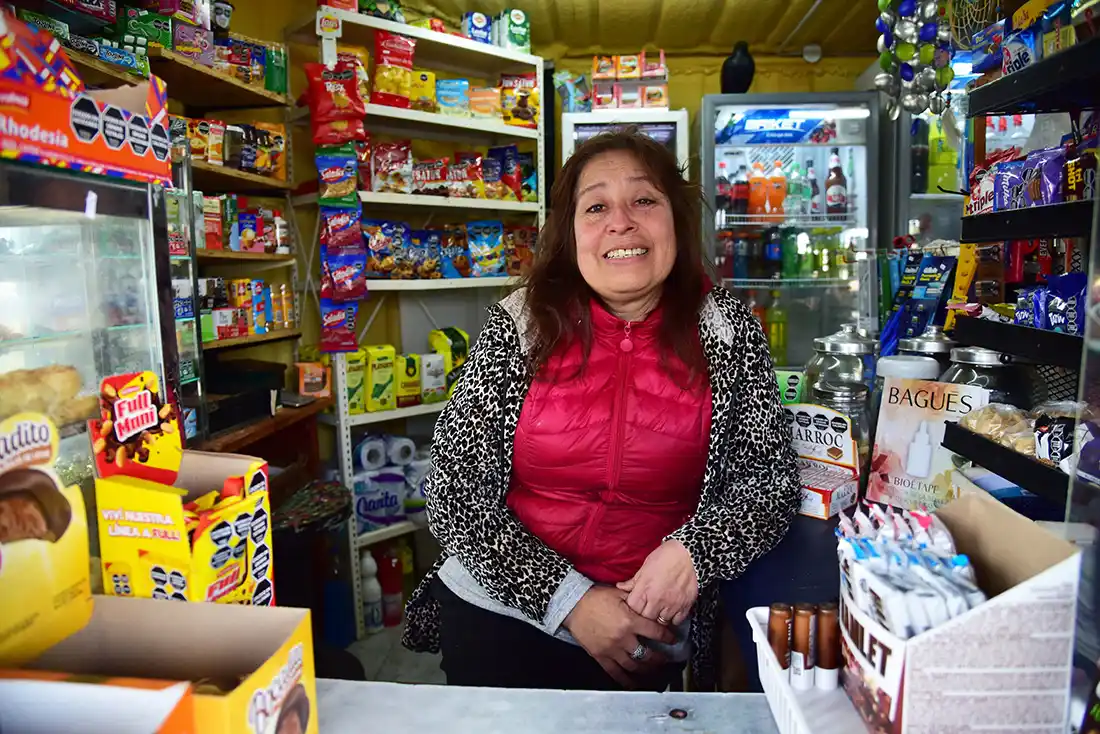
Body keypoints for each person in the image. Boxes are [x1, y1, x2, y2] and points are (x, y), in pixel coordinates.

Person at [402, 128, 800, 692]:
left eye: (643, 200)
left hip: (647, 622)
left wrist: (693, 552)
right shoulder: (520, 325)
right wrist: (572, 602)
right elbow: (454, 494)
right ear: (570, 236)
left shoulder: (729, 331)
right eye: (596, 207)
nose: (621, 222)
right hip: (504, 603)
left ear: (676, 222)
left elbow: (768, 483)